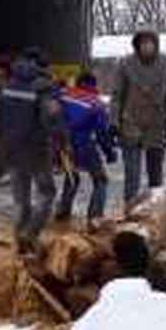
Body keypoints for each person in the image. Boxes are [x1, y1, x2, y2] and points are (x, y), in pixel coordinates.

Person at [0, 47, 66, 253]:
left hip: (10, 147)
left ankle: (19, 242)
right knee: (47, 192)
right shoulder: (44, 87)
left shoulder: (10, 83)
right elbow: (51, 118)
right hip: (35, 148)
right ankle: (31, 234)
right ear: (42, 65)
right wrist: (61, 141)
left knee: (21, 200)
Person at [110, 28, 166, 205]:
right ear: (137, 45)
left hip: (157, 125)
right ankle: (130, 213)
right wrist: (113, 122)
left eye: (151, 43)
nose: (147, 47)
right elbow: (117, 95)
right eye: (143, 43)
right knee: (132, 176)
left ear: (156, 45)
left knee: (155, 177)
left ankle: (155, 215)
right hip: (130, 123)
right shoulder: (125, 64)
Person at [55, 72, 118, 227]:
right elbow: (102, 133)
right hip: (84, 144)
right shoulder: (96, 103)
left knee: (72, 175)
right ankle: (94, 217)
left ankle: (63, 210)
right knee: (101, 180)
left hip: (63, 143)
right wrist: (110, 153)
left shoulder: (64, 95)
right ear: (94, 85)